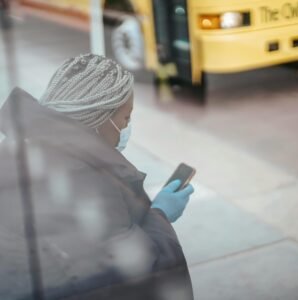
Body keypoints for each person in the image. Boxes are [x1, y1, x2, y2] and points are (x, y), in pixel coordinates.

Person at [0, 54, 194, 300]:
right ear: (99, 117)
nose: (126, 127)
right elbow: (129, 275)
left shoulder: (15, 150)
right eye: (125, 117)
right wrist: (160, 216)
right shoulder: (87, 183)